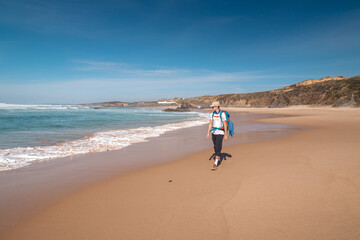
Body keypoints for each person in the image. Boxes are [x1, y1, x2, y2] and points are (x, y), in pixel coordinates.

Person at [206, 101, 228, 170]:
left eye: (213, 107)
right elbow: (210, 124)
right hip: (214, 132)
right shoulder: (212, 114)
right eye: (212, 107)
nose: (212, 108)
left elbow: (224, 124)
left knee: (218, 145)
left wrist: (226, 135)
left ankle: (216, 162)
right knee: (215, 146)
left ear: (217, 107)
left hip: (220, 132)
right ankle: (218, 157)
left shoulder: (222, 114)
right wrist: (208, 133)